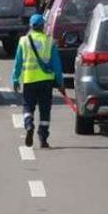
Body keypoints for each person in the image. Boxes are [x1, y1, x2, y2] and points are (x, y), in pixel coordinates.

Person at [12, 13, 63, 148]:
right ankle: (43, 138)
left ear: (30, 26)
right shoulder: (49, 41)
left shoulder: (24, 41)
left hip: (29, 80)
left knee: (28, 106)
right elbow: (57, 65)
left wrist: (15, 79)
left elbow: (18, 62)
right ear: (43, 27)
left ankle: (29, 124)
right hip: (46, 82)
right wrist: (61, 83)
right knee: (45, 110)